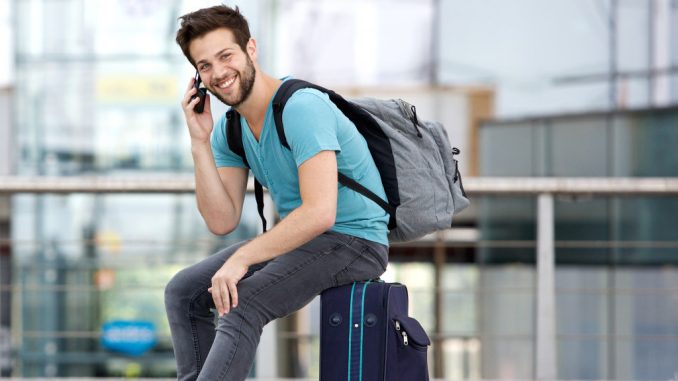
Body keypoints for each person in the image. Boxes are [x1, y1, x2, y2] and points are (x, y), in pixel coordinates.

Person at [164, 5, 390, 381]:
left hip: (356, 241)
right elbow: (222, 220)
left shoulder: (301, 108)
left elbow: (321, 212)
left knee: (243, 301)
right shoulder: (230, 129)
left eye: (226, 56)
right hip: (305, 241)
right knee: (184, 292)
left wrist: (242, 260)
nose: (218, 73)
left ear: (250, 49)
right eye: (205, 66)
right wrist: (200, 142)